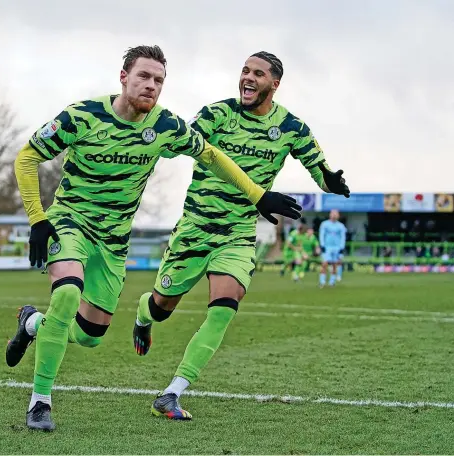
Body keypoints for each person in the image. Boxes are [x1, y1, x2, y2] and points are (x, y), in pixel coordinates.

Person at [5, 45, 302, 431]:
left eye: (159, 80)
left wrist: (258, 194)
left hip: (113, 242)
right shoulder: (82, 116)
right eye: (144, 76)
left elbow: (211, 156)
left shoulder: (164, 127)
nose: (151, 86)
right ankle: (39, 402)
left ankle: (31, 325)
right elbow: (27, 157)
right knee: (66, 294)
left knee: (90, 335)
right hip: (70, 223)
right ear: (124, 77)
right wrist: (37, 219)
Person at [131, 51, 351, 420]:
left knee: (224, 308)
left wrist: (328, 179)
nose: (248, 78)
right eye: (245, 71)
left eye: (258, 73)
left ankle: (172, 392)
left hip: (237, 234)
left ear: (274, 84)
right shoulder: (217, 114)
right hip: (195, 229)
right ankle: (143, 315)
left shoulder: (292, 128)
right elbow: (179, 142)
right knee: (161, 306)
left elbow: (317, 164)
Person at [319, 209, 347, 287]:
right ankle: (322, 281)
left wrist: (342, 247)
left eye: (336, 214)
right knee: (324, 264)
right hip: (327, 247)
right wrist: (322, 245)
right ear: (330, 214)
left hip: (337, 247)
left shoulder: (341, 226)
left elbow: (343, 237)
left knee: (335, 264)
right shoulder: (324, 224)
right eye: (333, 213)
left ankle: (332, 282)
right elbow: (322, 235)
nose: (334, 215)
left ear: (338, 215)